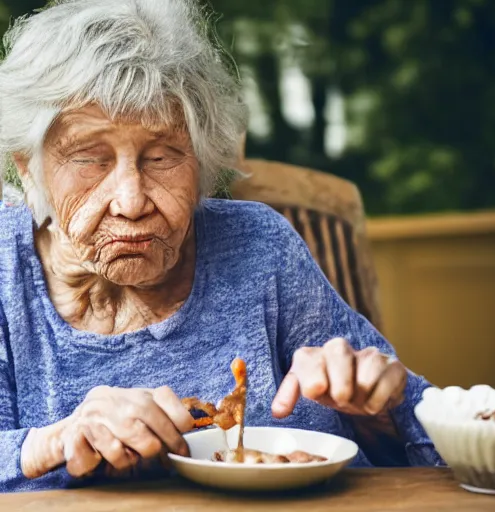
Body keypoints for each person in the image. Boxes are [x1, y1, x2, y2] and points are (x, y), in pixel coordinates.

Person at [0, 0, 443, 493]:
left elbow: (437, 441)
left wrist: (380, 411)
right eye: (89, 159)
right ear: (27, 166)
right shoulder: (4, 268)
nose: (130, 200)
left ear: (203, 158)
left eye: (163, 155)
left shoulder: (259, 245)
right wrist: (50, 443)